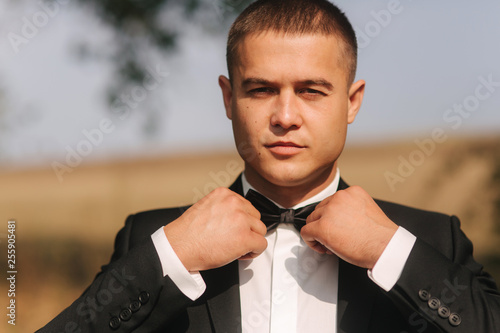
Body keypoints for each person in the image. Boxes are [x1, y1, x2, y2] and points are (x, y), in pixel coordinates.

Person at [38, 0, 500, 332]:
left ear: (352, 102)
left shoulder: (432, 238)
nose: (284, 116)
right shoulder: (152, 239)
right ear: (228, 98)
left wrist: (388, 249)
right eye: (260, 90)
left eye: (311, 91)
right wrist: (170, 255)